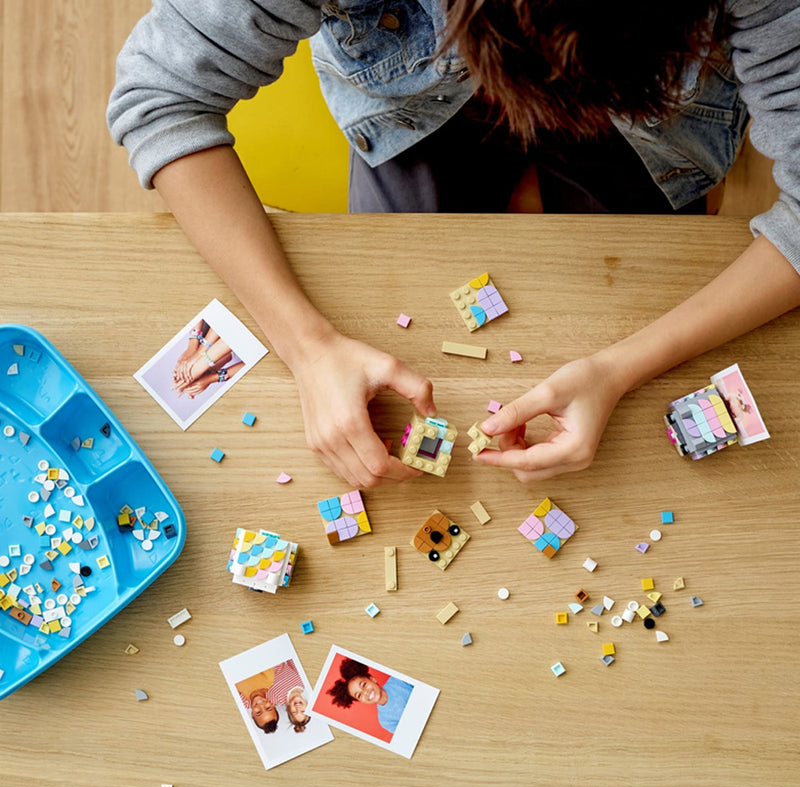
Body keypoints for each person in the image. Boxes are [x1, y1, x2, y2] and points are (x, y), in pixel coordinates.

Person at [108, 1, 800, 486]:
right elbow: (156, 97)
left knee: (638, 264)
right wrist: (308, 347)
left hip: (650, 133)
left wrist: (618, 369)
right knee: (390, 280)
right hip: (415, 112)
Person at [327, 658, 413, 734]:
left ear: (372, 679)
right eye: (359, 695)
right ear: (361, 701)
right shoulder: (385, 721)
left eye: (364, 685)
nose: (365, 692)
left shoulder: (399, 679)